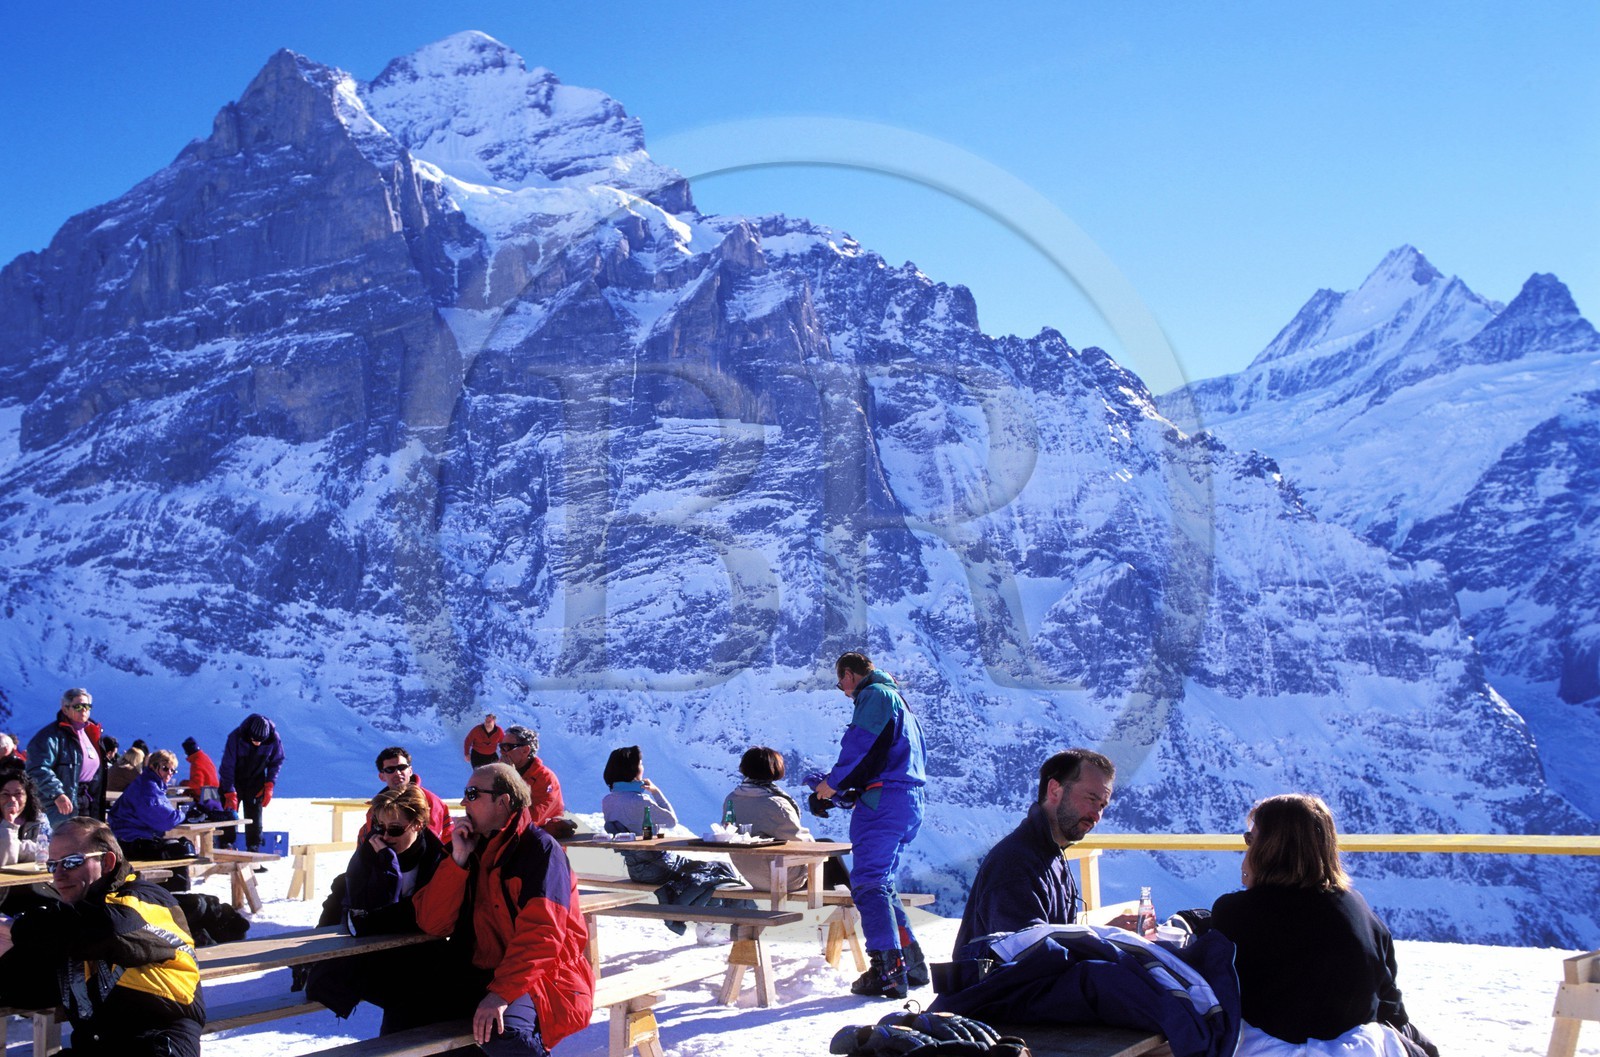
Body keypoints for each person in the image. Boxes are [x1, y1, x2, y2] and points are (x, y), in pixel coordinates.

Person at [1210, 794, 1438, 1057]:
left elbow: (1217, 998)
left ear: (1269, 848)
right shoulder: (1357, 908)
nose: (1247, 848)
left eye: (1251, 839)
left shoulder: (1234, 912)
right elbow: (1390, 1003)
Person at [412, 763, 593, 1053]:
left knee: (504, 1034)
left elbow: (543, 935)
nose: (463, 802)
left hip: (541, 978)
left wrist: (500, 993)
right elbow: (433, 922)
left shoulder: (539, 852)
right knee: (407, 1020)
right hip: (481, 970)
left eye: (472, 794)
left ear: (503, 801)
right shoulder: (466, 846)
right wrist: (458, 860)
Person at [0, 817, 205, 1055]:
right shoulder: (70, 923)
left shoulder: (146, 899)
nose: (58, 875)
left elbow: (112, 929)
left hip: (157, 1042)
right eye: (52, 865)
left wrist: (14, 928)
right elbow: (28, 986)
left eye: (71, 862)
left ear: (107, 862)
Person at [813, 652, 928, 998]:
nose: (842, 691)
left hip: (883, 803)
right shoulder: (903, 704)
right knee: (884, 883)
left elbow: (860, 747)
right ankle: (910, 962)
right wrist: (846, 789)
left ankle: (887, 971)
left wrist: (829, 787)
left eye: (840, 683)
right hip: (908, 800)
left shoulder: (875, 696)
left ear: (849, 675)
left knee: (867, 884)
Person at [306, 785, 449, 1033]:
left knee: (431, 995)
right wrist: (387, 871)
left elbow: (436, 917)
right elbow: (364, 917)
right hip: (370, 958)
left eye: (394, 829)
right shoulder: (368, 857)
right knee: (407, 997)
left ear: (418, 824)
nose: (385, 836)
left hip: (420, 956)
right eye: (378, 827)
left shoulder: (438, 859)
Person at [952, 749, 1116, 956]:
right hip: (999, 987)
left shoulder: (1051, 854)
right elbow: (1028, 954)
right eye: (1091, 799)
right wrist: (1101, 941)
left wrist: (1102, 936)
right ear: (1055, 790)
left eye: (1102, 805)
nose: (1097, 815)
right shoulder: (1015, 862)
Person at [602, 745, 744, 937]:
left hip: (636, 868)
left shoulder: (608, 800)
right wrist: (656, 792)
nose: (642, 766)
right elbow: (671, 820)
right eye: (640, 763)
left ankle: (709, 925)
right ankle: (708, 927)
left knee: (711, 872)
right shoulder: (640, 801)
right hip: (658, 866)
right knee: (716, 872)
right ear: (633, 769)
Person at [724, 746, 813, 891]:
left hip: (748, 873)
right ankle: (848, 905)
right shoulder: (776, 804)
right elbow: (799, 842)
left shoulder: (732, 799)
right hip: (779, 875)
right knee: (826, 854)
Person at [27, 687, 108, 827]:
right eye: (78, 706)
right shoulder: (50, 736)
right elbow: (37, 768)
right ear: (65, 709)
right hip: (62, 802)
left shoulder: (91, 733)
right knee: (64, 841)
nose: (83, 710)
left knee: (87, 842)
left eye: (87, 706)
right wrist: (57, 794)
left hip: (87, 799)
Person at [219, 713, 284, 852]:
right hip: (233, 780)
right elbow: (227, 766)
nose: (257, 743)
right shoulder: (236, 737)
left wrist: (270, 784)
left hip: (256, 781)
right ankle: (226, 849)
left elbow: (277, 761)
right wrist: (229, 791)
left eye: (260, 741)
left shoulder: (273, 739)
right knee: (229, 817)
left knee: (254, 818)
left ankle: (254, 851)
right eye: (254, 739)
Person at [107, 750, 188, 860]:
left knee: (180, 846)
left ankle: (177, 877)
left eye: (172, 771)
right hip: (130, 841)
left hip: (135, 838)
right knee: (179, 850)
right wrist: (183, 814)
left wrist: (178, 815)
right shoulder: (148, 788)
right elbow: (165, 821)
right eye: (165, 768)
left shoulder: (152, 785)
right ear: (153, 766)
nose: (169, 773)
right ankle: (177, 878)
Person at [364, 746, 453, 842]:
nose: (397, 773)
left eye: (402, 767)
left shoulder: (431, 802)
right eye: (390, 769)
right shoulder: (375, 809)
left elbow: (440, 842)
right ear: (382, 776)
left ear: (410, 771)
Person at [497, 726, 569, 832]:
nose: (502, 752)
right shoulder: (499, 773)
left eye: (507, 747)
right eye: (501, 747)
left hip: (538, 841)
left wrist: (511, 780)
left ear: (525, 750)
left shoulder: (545, 778)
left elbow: (532, 818)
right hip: (508, 837)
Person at [179, 737, 219, 802]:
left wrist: (184, 783)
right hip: (213, 794)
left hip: (204, 798)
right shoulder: (205, 758)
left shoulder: (196, 762)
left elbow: (197, 783)